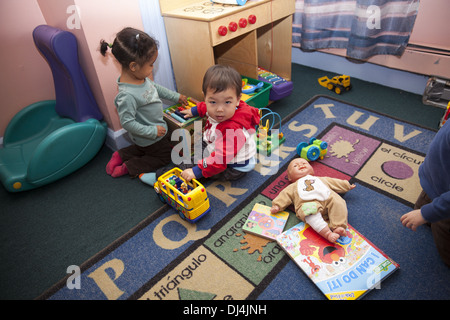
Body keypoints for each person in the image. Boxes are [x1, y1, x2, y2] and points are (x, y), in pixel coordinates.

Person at [142, 64, 260, 185]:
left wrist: (196, 172)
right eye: (213, 101)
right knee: (196, 154)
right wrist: (194, 110)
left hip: (232, 166)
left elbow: (219, 160)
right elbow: (206, 106)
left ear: (238, 99)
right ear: (205, 96)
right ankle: (185, 167)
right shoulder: (221, 109)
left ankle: (162, 178)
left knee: (194, 171)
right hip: (217, 145)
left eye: (227, 102)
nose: (219, 109)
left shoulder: (233, 130)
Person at [100, 27, 188, 178]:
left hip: (150, 136)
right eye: (151, 64)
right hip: (150, 135)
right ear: (134, 66)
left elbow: (155, 88)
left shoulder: (140, 78)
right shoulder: (126, 95)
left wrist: (175, 96)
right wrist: (152, 131)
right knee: (164, 156)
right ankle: (129, 166)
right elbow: (127, 123)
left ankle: (121, 155)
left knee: (145, 148)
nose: (153, 68)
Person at [400, 121, 450, 268]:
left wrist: (427, 213)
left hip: (446, 202)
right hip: (434, 180)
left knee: (443, 236)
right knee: (419, 210)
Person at [270, 158, 356, 242]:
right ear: (289, 177)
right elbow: (284, 195)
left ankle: (339, 226)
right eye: (295, 166)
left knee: (338, 202)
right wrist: (277, 205)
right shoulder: (293, 186)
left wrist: (346, 185)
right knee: (308, 212)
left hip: (328, 198)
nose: (301, 165)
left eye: (304, 163)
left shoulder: (321, 179)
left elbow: (334, 182)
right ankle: (327, 233)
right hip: (309, 204)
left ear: (312, 169)